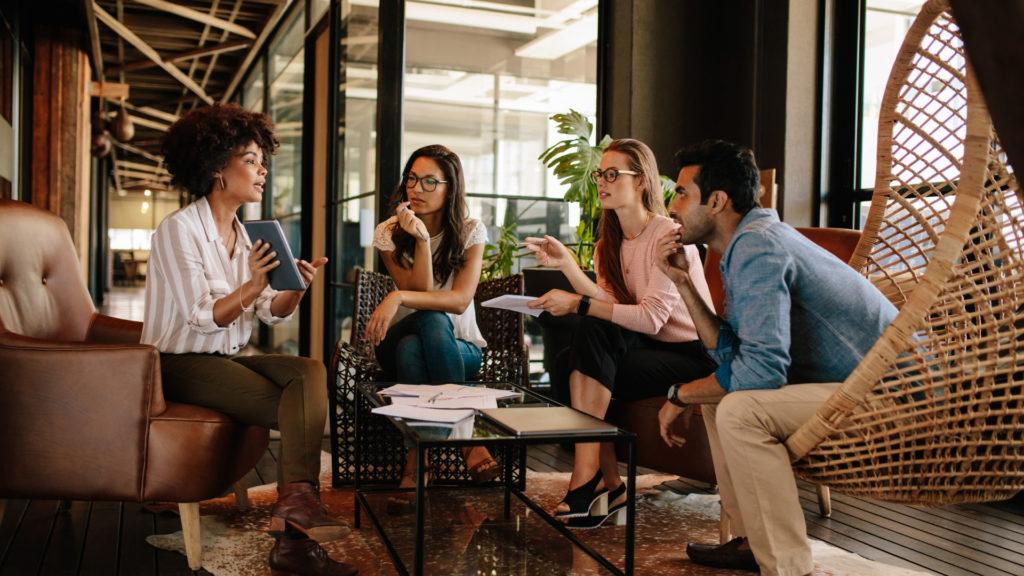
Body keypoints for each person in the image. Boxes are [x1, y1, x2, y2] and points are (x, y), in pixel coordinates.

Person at [655, 140, 897, 575]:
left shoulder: (758, 247)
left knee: (740, 410)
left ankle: (788, 567)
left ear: (717, 201)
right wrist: (684, 285)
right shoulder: (745, 244)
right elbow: (733, 354)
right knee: (720, 399)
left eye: (680, 193)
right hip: (850, 385)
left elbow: (761, 371)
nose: (672, 206)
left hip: (892, 395)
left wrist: (678, 394)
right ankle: (752, 540)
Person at [146, 104, 357, 576]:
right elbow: (202, 317)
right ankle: (295, 543)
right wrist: (256, 284)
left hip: (227, 359)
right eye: (251, 159)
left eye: (263, 160)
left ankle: (295, 513)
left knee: (310, 370)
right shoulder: (179, 231)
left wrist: (294, 289)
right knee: (296, 400)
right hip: (177, 363)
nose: (263, 170)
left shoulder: (250, 236)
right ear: (217, 167)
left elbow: (269, 311)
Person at [524, 138, 718, 528]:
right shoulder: (608, 242)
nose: (601, 181)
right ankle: (609, 484)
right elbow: (609, 304)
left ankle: (591, 480)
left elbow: (650, 320)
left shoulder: (668, 235)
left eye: (613, 174)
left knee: (585, 343)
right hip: (650, 348)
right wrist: (567, 265)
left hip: (694, 354)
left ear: (642, 181)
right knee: (568, 360)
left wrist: (577, 303)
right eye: (600, 174)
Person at [365, 144, 500, 509]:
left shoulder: (471, 230)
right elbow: (422, 292)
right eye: (412, 179)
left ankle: (417, 462)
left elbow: (459, 300)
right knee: (422, 326)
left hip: (460, 347)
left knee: (422, 342)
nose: (417, 189)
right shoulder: (388, 233)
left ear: (450, 188)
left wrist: (396, 298)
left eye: (429, 181)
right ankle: (467, 440)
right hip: (398, 337)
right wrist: (421, 239)